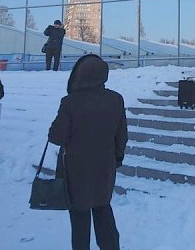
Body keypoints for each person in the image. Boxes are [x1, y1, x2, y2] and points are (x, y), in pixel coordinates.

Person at [49, 54, 128, 250]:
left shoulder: (70, 101)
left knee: (79, 216)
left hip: (76, 170)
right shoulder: (116, 99)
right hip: (105, 166)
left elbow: (56, 137)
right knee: (103, 209)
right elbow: (122, 135)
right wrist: (117, 158)